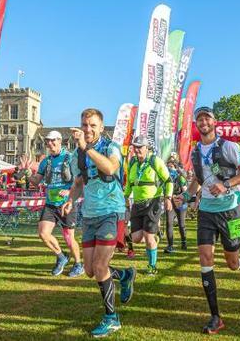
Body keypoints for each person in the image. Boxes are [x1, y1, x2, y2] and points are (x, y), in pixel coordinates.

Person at [174, 106, 240, 334]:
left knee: (231, 263)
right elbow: (197, 181)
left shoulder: (228, 146)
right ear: (196, 124)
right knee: (205, 257)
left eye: (207, 118)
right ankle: (215, 317)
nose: (203, 122)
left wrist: (226, 184)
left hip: (230, 210)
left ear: (214, 122)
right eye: (199, 119)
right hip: (207, 211)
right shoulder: (195, 152)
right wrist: (187, 195)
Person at [61, 108, 136, 337]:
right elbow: (79, 181)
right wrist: (71, 200)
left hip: (111, 211)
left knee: (101, 267)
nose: (88, 129)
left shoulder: (109, 147)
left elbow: (111, 167)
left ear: (102, 127)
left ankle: (111, 318)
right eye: (85, 125)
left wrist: (87, 148)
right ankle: (124, 275)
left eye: (93, 125)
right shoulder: (78, 155)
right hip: (90, 214)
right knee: (91, 271)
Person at [29, 130, 83, 278]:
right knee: (43, 233)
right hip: (50, 203)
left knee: (69, 238)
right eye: (48, 141)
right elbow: (36, 181)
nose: (50, 144)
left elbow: (79, 180)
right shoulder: (45, 161)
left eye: (53, 141)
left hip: (67, 204)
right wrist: (26, 172)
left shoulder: (70, 158)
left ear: (60, 141)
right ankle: (61, 257)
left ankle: (78, 264)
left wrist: (69, 192)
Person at [124, 135, 172, 274]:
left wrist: (168, 197)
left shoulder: (154, 161)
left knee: (148, 237)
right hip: (137, 205)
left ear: (147, 148)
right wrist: (125, 196)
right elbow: (129, 183)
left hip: (153, 202)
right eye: (135, 147)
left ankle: (152, 267)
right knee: (136, 238)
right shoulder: (132, 162)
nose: (137, 150)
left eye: (140, 147)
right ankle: (154, 237)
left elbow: (168, 180)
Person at [164, 159, 188, 253]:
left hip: (180, 203)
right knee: (169, 223)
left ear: (176, 168)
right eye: (168, 167)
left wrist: (179, 198)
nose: (169, 169)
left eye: (171, 167)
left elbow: (186, 192)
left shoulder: (180, 178)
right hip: (170, 202)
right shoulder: (165, 178)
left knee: (181, 224)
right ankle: (170, 245)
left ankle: (184, 242)